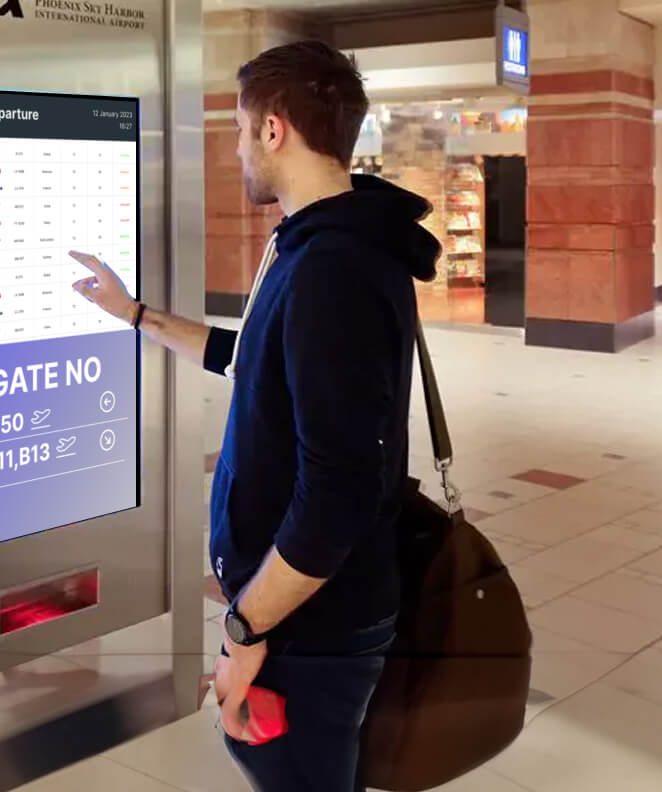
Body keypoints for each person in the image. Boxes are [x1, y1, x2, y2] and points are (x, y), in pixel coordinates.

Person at [70, 40, 440, 790]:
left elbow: (335, 497)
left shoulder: (330, 269)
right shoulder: (333, 243)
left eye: (239, 130)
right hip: (309, 614)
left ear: (274, 130)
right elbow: (258, 361)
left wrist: (247, 630)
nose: (236, 149)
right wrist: (136, 314)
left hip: (309, 625)